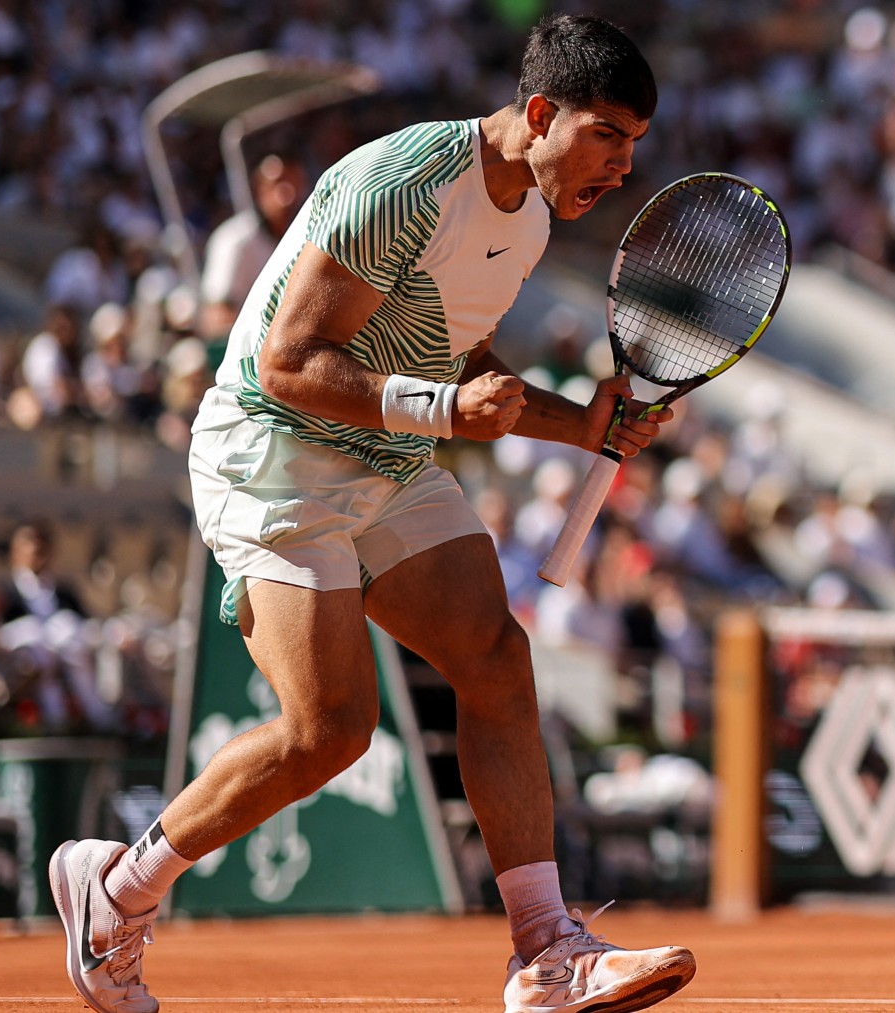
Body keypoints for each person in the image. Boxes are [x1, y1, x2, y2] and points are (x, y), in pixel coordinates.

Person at [47, 15, 692, 1013]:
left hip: (386, 455)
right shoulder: (400, 187)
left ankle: (544, 951)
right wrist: (443, 412)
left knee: (494, 657)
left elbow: (457, 351)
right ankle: (116, 888)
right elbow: (290, 363)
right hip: (272, 454)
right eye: (607, 134)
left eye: (634, 144)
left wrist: (581, 422)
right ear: (537, 113)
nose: (621, 164)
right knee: (330, 729)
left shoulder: (525, 215)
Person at [197, 154, 307, 339]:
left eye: (292, 182)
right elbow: (214, 316)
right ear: (260, 191)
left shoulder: (309, 230)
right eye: (277, 183)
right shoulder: (234, 240)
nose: (287, 193)